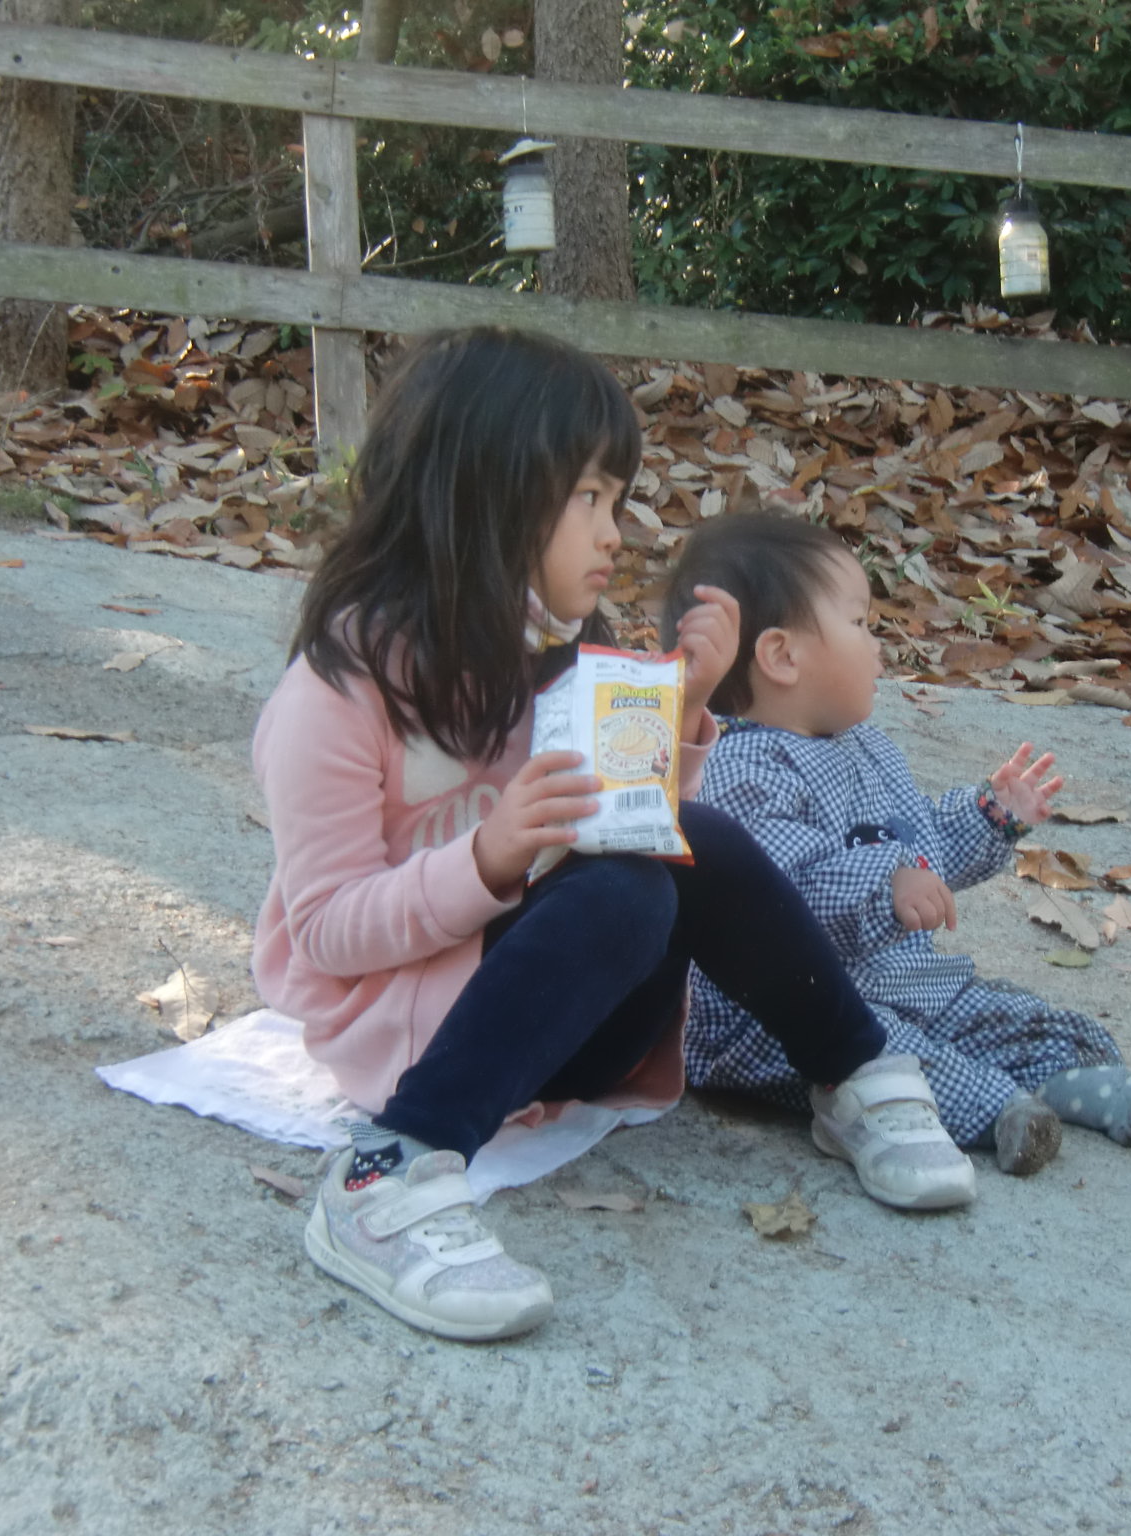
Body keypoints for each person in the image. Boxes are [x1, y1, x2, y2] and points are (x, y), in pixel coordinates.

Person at [252, 329, 977, 1344]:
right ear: (485, 493)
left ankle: (853, 1073)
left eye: (615, 501)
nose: (614, 535)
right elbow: (326, 930)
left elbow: (632, 824)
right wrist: (486, 860)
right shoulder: (334, 694)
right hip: (419, 1036)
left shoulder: (551, 655)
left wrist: (683, 705)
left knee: (691, 842)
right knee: (631, 888)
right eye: (587, 498)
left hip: (573, 1024)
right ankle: (387, 1172)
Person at [660, 512, 1131, 1178]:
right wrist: (886, 885)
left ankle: (1110, 1093)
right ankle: (1002, 1112)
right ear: (782, 656)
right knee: (892, 1052)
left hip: (907, 980)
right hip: (787, 1013)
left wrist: (990, 817)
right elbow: (775, 896)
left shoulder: (866, 750)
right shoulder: (741, 768)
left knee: (1008, 1016)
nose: (877, 643)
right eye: (859, 623)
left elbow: (922, 849)